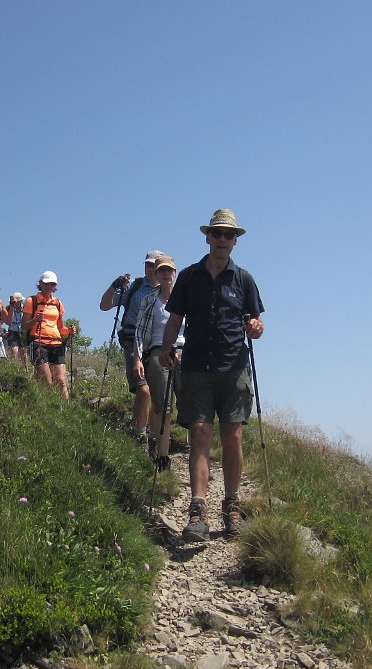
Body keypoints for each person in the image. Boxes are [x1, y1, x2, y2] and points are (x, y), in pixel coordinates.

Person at [159, 209, 265, 540]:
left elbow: (258, 326)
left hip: (234, 366)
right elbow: (175, 319)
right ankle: (198, 510)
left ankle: (231, 507)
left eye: (228, 235)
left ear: (235, 241)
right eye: (217, 234)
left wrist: (256, 328)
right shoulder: (190, 277)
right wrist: (166, 348)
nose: (222, 239)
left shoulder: (244, 279)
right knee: (200, 433)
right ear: (207, 237)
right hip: (196, 366)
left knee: (233, 436)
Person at [99, 250, 164, 442]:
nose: (150, 269)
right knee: (143, 389)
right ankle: (139, 436)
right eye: (147, 265)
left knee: (156, 392)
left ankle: (153, 436)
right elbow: (104, 305)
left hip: (156, 344)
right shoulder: (134, 287)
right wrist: (114, 285)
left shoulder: (167, 290)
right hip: (131, 340)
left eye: (154, 265)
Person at [132, 254, 185, 470]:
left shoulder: (184, 299)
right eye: (161, 270)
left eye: (168, 270)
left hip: (184, 350)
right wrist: (137, 358)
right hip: (157, 350)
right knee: (164, 405)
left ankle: (195, 455)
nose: (165, 274)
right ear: (156, 273)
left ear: (174, 273)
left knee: (191, 401)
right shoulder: (150, 300)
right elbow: (140, 331)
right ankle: (163, 456)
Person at [22, 271, 75, 399]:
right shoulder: (32, 301)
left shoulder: (57, 303)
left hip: (57, 343)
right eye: (46, 284)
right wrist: (35, 319)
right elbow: (24, 326)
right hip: (39, 343)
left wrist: (69, 330)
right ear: (40, 284)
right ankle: (49, 406)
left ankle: (66, 410)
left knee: (62, 380)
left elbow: (60, 327)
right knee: (47, 382)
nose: (49, 287)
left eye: (52, 284)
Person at [3, 292, 26, 362]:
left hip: (22, 331)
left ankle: (25, 369)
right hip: (12, 331)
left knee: (23, 351)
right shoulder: (8, 308)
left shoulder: (25, 308)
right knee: (14, 350)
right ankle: (14, 366)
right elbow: (4, 320)